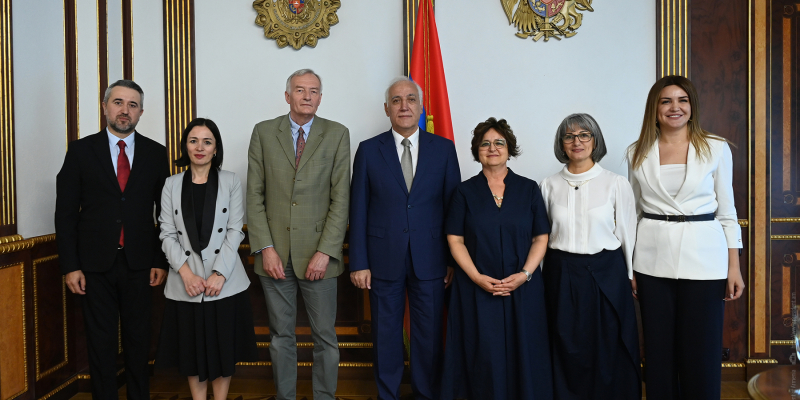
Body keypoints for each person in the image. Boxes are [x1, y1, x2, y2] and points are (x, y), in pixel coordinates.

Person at [627, 75, 744, 399]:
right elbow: (632, 214)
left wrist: (733, 267)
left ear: (692, 106)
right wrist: (630, 267)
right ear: (654, 108)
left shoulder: (716, 148)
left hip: (705, 261)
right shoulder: (637, 152)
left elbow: (727, 212)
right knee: (659, 352)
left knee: (701, 352)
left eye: (682, 100)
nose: (674, 107)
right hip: (651, 261)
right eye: (665, 101)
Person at [55, 79, 169, 399]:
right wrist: (70, 266)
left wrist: (160, 260)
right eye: (118, 102)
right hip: (93, 265)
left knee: (138, 340)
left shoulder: (155, 153)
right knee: (100, 342)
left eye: (133, 105)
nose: (125, 110)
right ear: (105, 107)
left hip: (140, 264)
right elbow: (65, 213)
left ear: (141, 112)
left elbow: (166, 213)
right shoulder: (80, 151)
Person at [349, 77, 460, 400]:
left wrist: (452, 259)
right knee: (385, 336)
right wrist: (359, 262)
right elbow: (358, 209)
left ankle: (427, 394)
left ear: (421, 107)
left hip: (432, 260)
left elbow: (453, 209)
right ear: (387, 109)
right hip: (382, 260)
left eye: (411, 99)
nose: (404, 106)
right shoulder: (369, 150)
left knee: (429, 336)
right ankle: (388, 395)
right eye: (396, 100)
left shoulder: (443, 149)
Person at [246, 68, 350, 400]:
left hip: (320, 254)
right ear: (287, 95)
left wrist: (326, 251)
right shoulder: (263, 132)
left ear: (321, 98)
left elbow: (341, 199)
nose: (307, 96)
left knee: (325, 337)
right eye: (300, 90)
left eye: (314, 91)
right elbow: (254, 196)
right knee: (281, 336)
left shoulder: (337, 134)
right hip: (274, 255)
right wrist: (265, 248)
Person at [439, 117, 552, 400]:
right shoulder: (463, 192)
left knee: (525, 351)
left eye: (499, 143)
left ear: (509, 148)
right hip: (476, 288)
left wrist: (525, 275)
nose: (492, 148)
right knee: (482, 355)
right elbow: (455, 240)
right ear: (476, 150)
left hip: (523, 288)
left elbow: (541, 238)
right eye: (485, 143)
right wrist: (476, 277)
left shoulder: (529, 189)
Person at [539, 113, 640, 399]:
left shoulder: (615, 183)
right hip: (560, 272)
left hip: (606, 273)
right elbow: (542, 237)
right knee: (564, 341)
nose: (577, 141)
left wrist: (631, 274)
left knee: (606, 342)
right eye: (569, 136)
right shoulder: (548, 185)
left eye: (584, 135)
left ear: (595, 141)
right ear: (561, 143)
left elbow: (627, 233)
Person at [156, 118, 258, 400]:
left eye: (207, 142)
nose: (199, 147)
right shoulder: (171, 184)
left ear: (215, 148)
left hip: (223, 282)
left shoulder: (230, 180)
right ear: (185, 146)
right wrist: (186, 274)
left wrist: (220, 274)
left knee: (223, 349)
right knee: (191, 350)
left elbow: (235, 230)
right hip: (186, 282)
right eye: (193, 141)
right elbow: (166, 233)